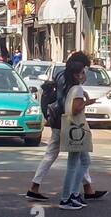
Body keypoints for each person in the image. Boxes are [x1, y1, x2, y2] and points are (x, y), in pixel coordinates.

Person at [25, 53, 106, 201]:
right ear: (78, 69)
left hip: (57, 120)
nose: (85, 73)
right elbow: (70, 105)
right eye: (83, 69)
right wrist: (85, 101)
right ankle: (71, 194)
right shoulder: (71, 82)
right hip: (67, 123)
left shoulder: (61, 75)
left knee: (70, 156)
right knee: (78, 157)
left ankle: (86, 189)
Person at [58, 55, 96, 210]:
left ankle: (72, 195)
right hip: (76, 130)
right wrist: (87, 102)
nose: (85, 75)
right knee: (75, 165)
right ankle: (67, 197)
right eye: (83, 72)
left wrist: (85, 99)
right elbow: (75, 110)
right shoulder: (78, 89)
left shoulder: (72, 88)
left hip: (72, 129)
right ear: (77, 75)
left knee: (80, 162)